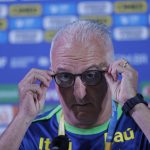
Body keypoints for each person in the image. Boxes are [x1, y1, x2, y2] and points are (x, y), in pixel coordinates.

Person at [0, 20, 150, 150]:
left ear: (113, 73)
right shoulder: (33, 133)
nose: (80, 94)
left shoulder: (140, 124)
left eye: (91, 76)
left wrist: (133, 104)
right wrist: (23, 117)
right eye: (65, 77)